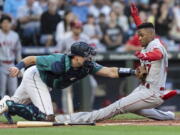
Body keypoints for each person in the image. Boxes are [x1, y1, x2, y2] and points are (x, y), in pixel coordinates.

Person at [54, 22, 176, 123]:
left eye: (141, 35)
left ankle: (74, 119)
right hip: (145, 87)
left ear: (151, 34)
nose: (139, 38)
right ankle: (168, 116)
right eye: (139, 35)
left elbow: (158, 54)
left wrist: (144, 55)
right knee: (136, 108)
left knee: (118, 106)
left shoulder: (156, 46)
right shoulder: (149, 42)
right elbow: (145, 30)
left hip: (151, 91)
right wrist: (136, 18)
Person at [0, 41, 145, 121]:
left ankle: (7, 103)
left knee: (10, 108)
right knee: (47, 118)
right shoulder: (58, 61)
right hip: (36, 77)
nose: (90, 59)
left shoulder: (87, 66)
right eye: (86, 56)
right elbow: (31, 59)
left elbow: (111, 71)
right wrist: (17, 67)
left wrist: (133, 72)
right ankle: (9, 104)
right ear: (75, 57)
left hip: (44, 81)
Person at [0, 15, 22, 98]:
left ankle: (12, 110)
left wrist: (20, 67)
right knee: (2, 91)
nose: (6, 24)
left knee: (14, 91)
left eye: (8, 22)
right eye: (4, 22)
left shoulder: (15, 35)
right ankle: (2, 110)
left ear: (10, 24)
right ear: (1, 24)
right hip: (1, 65)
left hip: (12, 64)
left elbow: (18, 52)